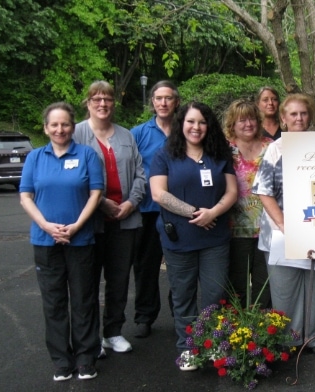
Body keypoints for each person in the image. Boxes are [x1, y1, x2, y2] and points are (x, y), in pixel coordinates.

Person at [149, 101, 237, 371]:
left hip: (215, 240)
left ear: (208, 126)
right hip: (180, 241)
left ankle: (211, 343)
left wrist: (214, 213)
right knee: (183, 296)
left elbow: (232, 191)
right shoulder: (164, 155)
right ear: (181, 124)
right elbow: (158, 194)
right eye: (190, 121)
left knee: (214, 295)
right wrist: (195, 212)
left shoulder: (219, 154)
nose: (196, 127)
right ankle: (187, 348)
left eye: (201, 122)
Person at [19, 102, 104, 381]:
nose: (60, 129)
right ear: (45, 128)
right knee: (53, 303)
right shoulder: (35, 158)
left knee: (83, 300)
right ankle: (61, 360)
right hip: (45, 241)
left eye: (65, 124)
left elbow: (95, 194)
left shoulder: (87, 155)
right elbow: (26, 197)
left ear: (72, 126)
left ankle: (85, 358)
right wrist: (46, 226)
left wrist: (78, 225)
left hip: (80, 240)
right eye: (54, 125)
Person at [252, 93, 315, 354]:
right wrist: (285, 225)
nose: (299, 118)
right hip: (280, 230)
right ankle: (289, 340)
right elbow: (264, 191)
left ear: (310, 117)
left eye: (303, 113)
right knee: (284, 290)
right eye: (293, 114)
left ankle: (314, 338)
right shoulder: (275, 149)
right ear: (283, 119)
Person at [74, 81, 146, 355]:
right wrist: (101, 203)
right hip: (89, 222)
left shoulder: (127, 136)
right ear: (88, 103)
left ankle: (113, 332)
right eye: (96, 99)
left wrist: (131, 202)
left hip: (125, 220)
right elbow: (72, 175)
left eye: (107, 98)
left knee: (119, 279)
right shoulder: (78, 134)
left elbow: (141, 174)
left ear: (114, 102)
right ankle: (91, 337)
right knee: (88, 282)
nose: (102, 103)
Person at [130, 80, 179, 338]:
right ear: (152, 102)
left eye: (168, 98)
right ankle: (144, 316)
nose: (163, 103)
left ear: (176, 102)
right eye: (158, 98)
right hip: (147, 210)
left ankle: (180, 314)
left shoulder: (185, 131)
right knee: (146, 266)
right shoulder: (138, 133)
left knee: (179, 266)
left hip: (180, 210)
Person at [223, 99, 273, 308]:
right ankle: (238, 335)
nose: (248, 124)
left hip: (268, 227)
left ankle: (264, 333)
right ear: (232, 124)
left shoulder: (270, 147)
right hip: (235, 229)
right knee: (237, 286)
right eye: (241, 120)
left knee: (265, 286)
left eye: (251, 118)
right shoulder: (224, 148)